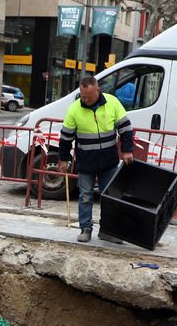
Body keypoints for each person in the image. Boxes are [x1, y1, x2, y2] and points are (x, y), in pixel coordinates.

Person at [57, 75, 134, 243]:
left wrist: (127, 150)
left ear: (98, 90)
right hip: (86, 161)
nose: (85, 100)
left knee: (110, 196)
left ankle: (108, 230)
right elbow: (65, 138)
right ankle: (85, 228)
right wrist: (63, 159)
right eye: (83, 96)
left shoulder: (113, 103)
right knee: (85, 196)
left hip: (109, 160)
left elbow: (126, 129)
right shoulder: (74, 109)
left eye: (89, 97)